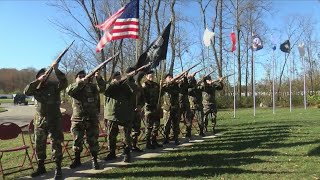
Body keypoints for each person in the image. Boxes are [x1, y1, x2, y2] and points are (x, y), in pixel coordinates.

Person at [24, 62, 68, 179]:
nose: (45, 77)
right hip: (40, 122)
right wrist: (38, 80)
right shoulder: (35, 88)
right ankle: (41, 167)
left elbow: (64, 83)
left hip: (54, 121)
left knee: (56, 144)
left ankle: (58, 169)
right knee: (39, 145)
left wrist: (56, 70)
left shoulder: (54, 85)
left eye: (46, 75)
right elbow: (26, 91)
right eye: (42, 75)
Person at [66, 70, 106, 170]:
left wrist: (98, 77)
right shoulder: (74, 87)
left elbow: (102, 88)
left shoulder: (92, 87)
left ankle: (95, 160)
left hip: (91, 118)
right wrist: (81, 81)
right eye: (80, 76)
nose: (82, 77)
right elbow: (69, 91)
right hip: (78, 119)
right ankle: (77, 160)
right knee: (77, 140)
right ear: (76, 78)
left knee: (93, 140)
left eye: (84, 76)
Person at [103, 71, 135, 163]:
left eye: (120, 77)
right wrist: (114, 83)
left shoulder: (125, 86)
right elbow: (106, 92)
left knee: (126, 136)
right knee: (111, 136)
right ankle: (112, 153)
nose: (119, 79)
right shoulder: (110, 86)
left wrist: (125, 83)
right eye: (117, 77)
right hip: (112, 115)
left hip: (124, 115)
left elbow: (131, 94)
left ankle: (126, 153)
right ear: (113, 79)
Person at [142, 70, 163, 149]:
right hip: (148, 108)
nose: (152, 77)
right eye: (150, 76)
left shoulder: (156, 85)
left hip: (156, 108)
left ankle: (154, 141)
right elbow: (142, 95)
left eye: (152, 76)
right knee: (149, 126)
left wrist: (161, 86)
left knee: (156, 125)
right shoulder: (144, 85)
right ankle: (148, 143)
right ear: (147, 76)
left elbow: (161, 94)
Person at [126, 67, 145, 152]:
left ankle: (134, 145)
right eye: (131, 73)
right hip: (127, 112)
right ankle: (127, 147)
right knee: (127, 131)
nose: (133, 74)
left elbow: (143, 98)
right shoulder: (124, 84)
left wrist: (140, 106)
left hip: (137, 112)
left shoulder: (137, 85)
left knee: (136, 130)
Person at [161, 73, 180, 145]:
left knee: (175, 124)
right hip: (167, 109)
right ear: (166, 79)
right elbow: (163, 90)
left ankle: (176, 138)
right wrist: (168, 83)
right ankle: (166, 138)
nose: (170, 78)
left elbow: (177, 91)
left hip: (175, 108)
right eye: (169, 77)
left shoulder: (176, 86)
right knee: (167, 124)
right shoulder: (164, 86)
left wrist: (174, 82)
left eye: (171, 77)